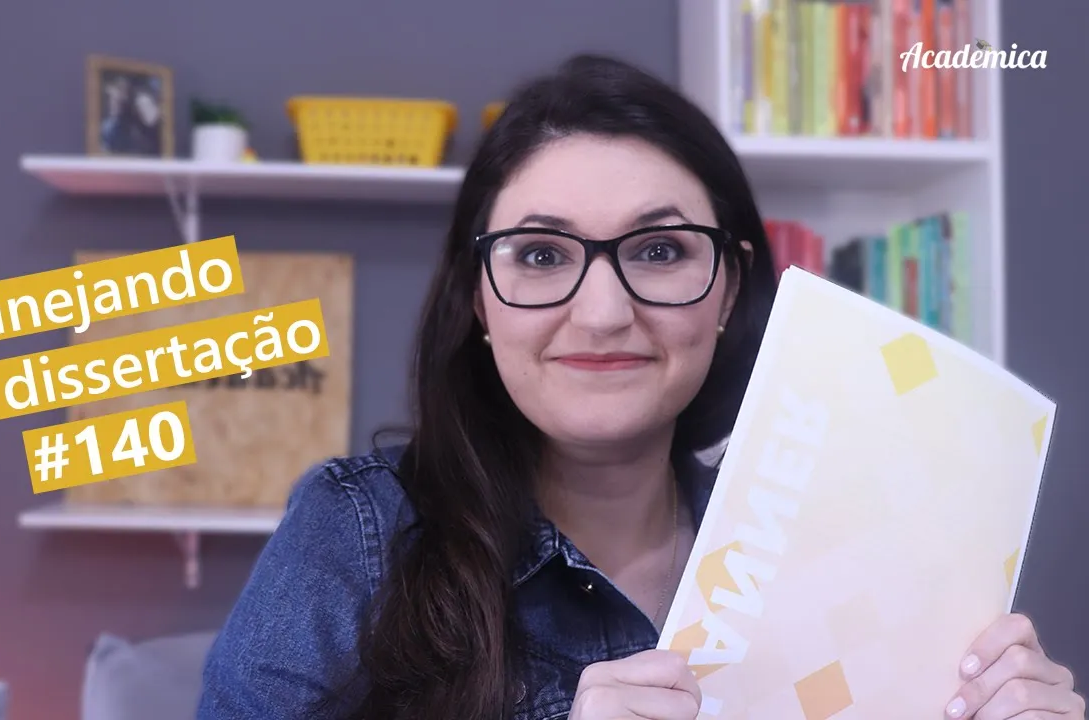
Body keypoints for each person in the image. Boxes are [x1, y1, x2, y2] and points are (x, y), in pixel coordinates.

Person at [197, 54, 1083, 720]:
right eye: (541, 255)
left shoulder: (849, 550)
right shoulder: (358, 534)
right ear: (478, 298)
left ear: (729, 288)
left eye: (659, 250)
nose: (603, 312)